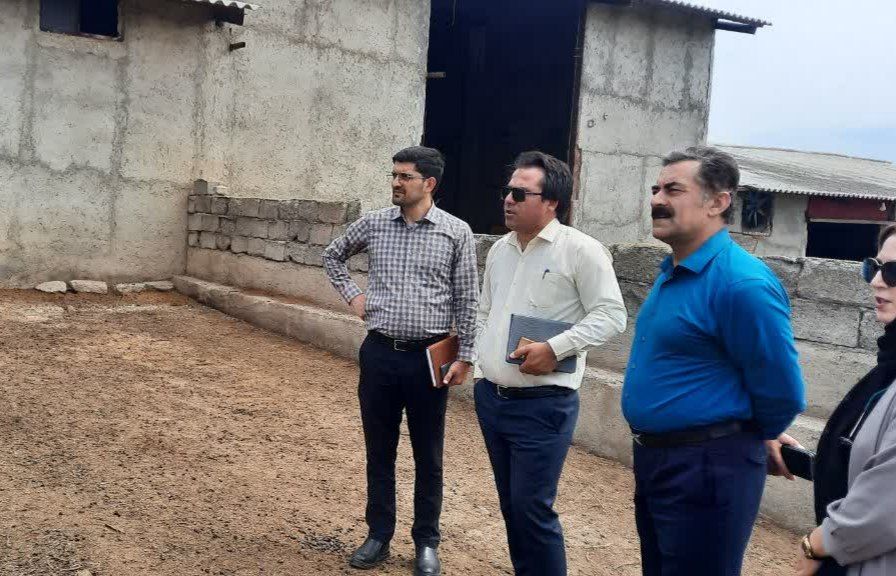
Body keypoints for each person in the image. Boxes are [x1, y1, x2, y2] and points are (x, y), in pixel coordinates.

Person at [622, 146, 806, 576]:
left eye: (673, 190)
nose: (656, 200)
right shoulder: (674, 271)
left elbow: (783, 391)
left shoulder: (742, 284)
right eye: (655, 189)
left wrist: (749, 434)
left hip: (706, 468)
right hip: (660, 460)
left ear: (718, 202)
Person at [322, 146, 478, 576]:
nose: (395, 182)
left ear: (429, 183)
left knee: (429, 456)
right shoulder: (374, 224)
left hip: (429, 360)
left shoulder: (456, 232)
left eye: (405, 176)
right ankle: (378, 535)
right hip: (379, 354)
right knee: (380, 450)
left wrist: (466, 356)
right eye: (393, 174)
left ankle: (426, 542)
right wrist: (354, 297)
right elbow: (332, 255)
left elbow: (467, 298)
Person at [474, 150, 627, 575]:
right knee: (512, 506)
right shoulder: (500, 250)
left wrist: (556, 348)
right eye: (508, 191)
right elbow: (485, 311)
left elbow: (611, 315)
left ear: (552, 202)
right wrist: (480, 362)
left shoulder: (581, 251)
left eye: (520, 194)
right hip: (492, 398)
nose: (508, 200)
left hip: (543, 405)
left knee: (532, 509)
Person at [791, 224, 896, 576]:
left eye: (893, 272)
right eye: (873, 267)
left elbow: (886, 503)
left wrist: (816, 544)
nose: (876, 281)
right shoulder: (888, 367)